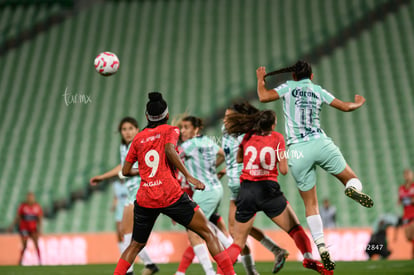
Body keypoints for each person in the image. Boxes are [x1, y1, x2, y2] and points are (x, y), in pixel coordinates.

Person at [256, 60, 374, 270]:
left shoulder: (288, 87)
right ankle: (352, 190)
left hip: (297, 151)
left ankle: (321, 247)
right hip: (320, 143)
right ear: (311, 76)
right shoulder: (317, 90)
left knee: (311, 205)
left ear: (293, 77)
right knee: (351, 178)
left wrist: (259, 80)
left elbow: (263, 97)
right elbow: (346, 107)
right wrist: (359, 102)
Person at [113, 92, 235, 275]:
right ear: (167, 115)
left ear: (147, 116)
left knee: (135, 245)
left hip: (146, 197)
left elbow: (125, 171)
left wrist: (144, 172)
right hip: (170, 194)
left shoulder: (137, 139)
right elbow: (170, 149)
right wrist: (190, 177)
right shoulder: (171, 130)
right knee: (208, 234)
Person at [224, 108, 332, 275]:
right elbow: (283, 170)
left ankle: (220, 272)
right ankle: (308, 256)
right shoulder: (278, 138)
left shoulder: (248, 136)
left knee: (237, 243)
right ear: (273, 125)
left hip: (247, 191)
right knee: (295, 230)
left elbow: (239, 159)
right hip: (269, 190)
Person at [222, 102, 288, 274]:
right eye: (225, 116)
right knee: (235, 230)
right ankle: (275, 251)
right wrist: (223, 170)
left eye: (229, 116)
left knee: (237, 234)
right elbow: (229, 154)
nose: (225, 119)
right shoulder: (226, 130)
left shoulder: (247, 132)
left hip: (242, 181)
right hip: (233, 181)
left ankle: (250, 270)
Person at [90, 117, 159, 275]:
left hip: (140, 191)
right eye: (124, 129)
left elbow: (147, 166)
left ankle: (130, 271)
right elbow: (123, 166)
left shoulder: (141, 143)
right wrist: (103, 176)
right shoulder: (124, 147)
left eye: (130, 128)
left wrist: (130, 172)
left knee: (127, 231)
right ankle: (147, 265)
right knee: (128, 232)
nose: (127, 132)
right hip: (131, 192)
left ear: (137, 129)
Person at [175, 116, 231, 275]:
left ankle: (210, 271)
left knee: (194, 230)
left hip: (204, 192)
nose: (183, 131)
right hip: (216, 188)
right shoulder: (208, 142)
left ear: (196, 129)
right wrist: (213, 169)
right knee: (206, 226)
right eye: (182, 128)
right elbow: (223, 154)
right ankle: (230, 247)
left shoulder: (188, 145)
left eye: (186, 127)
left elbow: (172, 154)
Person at [8, 192, 43, 265]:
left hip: (33, 229)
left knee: (36, 244)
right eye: (29, 197)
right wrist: (12, 226)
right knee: (24, 245)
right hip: (24, 228)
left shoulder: (37, 206)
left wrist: (40, 229)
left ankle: (40, 261)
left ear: (34, 198)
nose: (30, 198)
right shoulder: (23, 206)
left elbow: (39, 219)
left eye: (31, 197)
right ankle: (20, 261)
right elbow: (18, 217)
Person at [398, 169, 414, 258]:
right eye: (405, 174)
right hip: (406, 216)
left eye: (409, 174)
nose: (407, 176)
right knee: (409, 237)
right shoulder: (401, 188)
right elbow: (400, 201)